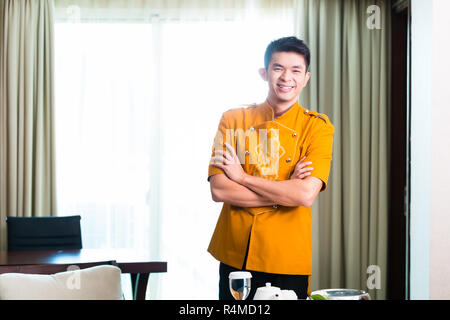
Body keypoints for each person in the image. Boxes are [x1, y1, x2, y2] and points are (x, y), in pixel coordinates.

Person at [207, 36, 334, 300]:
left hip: (287, 256)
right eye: (278, 68)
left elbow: (304, 195)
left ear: (306, 77)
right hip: (237, 253)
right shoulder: (233, 120)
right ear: (264, 73)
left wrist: (242, 177)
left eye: (296, 70)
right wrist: (286, 191)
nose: (286, 77)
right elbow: (220, 190)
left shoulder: (318, 127)